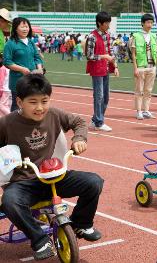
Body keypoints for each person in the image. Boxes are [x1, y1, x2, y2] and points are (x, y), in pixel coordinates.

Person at [0, 74, 104, 260]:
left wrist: (79, 138)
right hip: (24, 181)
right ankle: (39, 239)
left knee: (93, 182)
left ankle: (81, 223)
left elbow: (78, 122)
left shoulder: (54, 115)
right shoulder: (7, 123)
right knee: (9, 201)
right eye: (32, 102)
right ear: (19, 101)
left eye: (44, 101)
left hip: (53, 175)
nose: (40, 108)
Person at [86, 11, 119, 132]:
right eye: (106, 23)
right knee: (99, 96)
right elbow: (89, 56)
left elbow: (110, 51)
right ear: (100, 23)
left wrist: (115, 66)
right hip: (96, 70)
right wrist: (104, 57)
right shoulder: (92, 37)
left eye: (109, 23)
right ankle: (99, 122)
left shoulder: (107, 35)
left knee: (106, 97)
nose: (108, 25)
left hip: (105, 69)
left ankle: (95, 120)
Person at [3, 17, 43, 112]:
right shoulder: (10, 44)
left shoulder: (30, 42)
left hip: (32, 79)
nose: (25, 29)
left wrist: (40, 68)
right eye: (22, 27)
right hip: (17, 80)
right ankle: (13, 125)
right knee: (17, 104)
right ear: (16, 29)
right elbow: (7, 62)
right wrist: (22, 69)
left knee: (30, 103)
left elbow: (37, 57)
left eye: (27, 26)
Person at [131, 13, 157, 120]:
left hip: (152, 66)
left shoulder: (153, 36)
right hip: (141, 66)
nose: (150, 25)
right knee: (139, 90)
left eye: (151, 23)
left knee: (149, 90)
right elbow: (133, 54)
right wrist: (135, 68)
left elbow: (155, 51)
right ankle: (139, 111)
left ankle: (146, 110)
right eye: (148, 22)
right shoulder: (136, 36)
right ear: (142, 23)